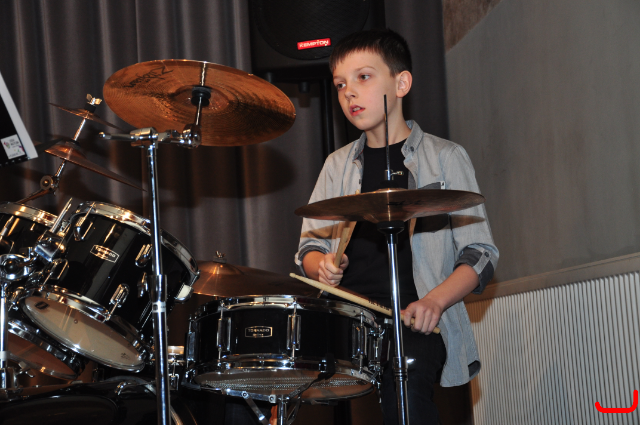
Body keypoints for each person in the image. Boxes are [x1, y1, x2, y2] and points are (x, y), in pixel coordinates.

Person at [295, 29, 498, 425]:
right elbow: (308, 248)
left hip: (416, 320)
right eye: (340, 84)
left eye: (363, 77)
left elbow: (481, 254)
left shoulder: (445, 157)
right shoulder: (337, 166)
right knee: (265, 367)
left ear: (401, 83)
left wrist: (434, 302)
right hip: (349, 320)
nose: (349, 92)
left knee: (405, 378)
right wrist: (322, 265)